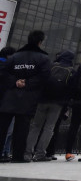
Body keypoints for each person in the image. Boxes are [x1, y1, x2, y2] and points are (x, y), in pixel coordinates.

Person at [0, 31, 51, 163]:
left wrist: (15, 82)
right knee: (22, 128)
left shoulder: (14, 57)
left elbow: (3, 73)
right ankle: (17, 156)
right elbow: (44, 77)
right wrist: (27, 83)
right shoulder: (43, 58)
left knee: (2, 127)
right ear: (40, 42)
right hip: (29, 98)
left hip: (9, 97)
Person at [25, 50, 74, 161]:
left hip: (42, 100)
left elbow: (40, 81)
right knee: (49, 128)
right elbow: (71, 91)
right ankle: (40, 154)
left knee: (35, 127)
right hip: (57, 103)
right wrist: (65, 105)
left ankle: (27, 153)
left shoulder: (50, 66)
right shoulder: (71, 71)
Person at [0, 46, 16, 161]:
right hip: (7, 102)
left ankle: (5, 152)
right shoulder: (10, 68)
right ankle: (4, 152)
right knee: (8, 130)